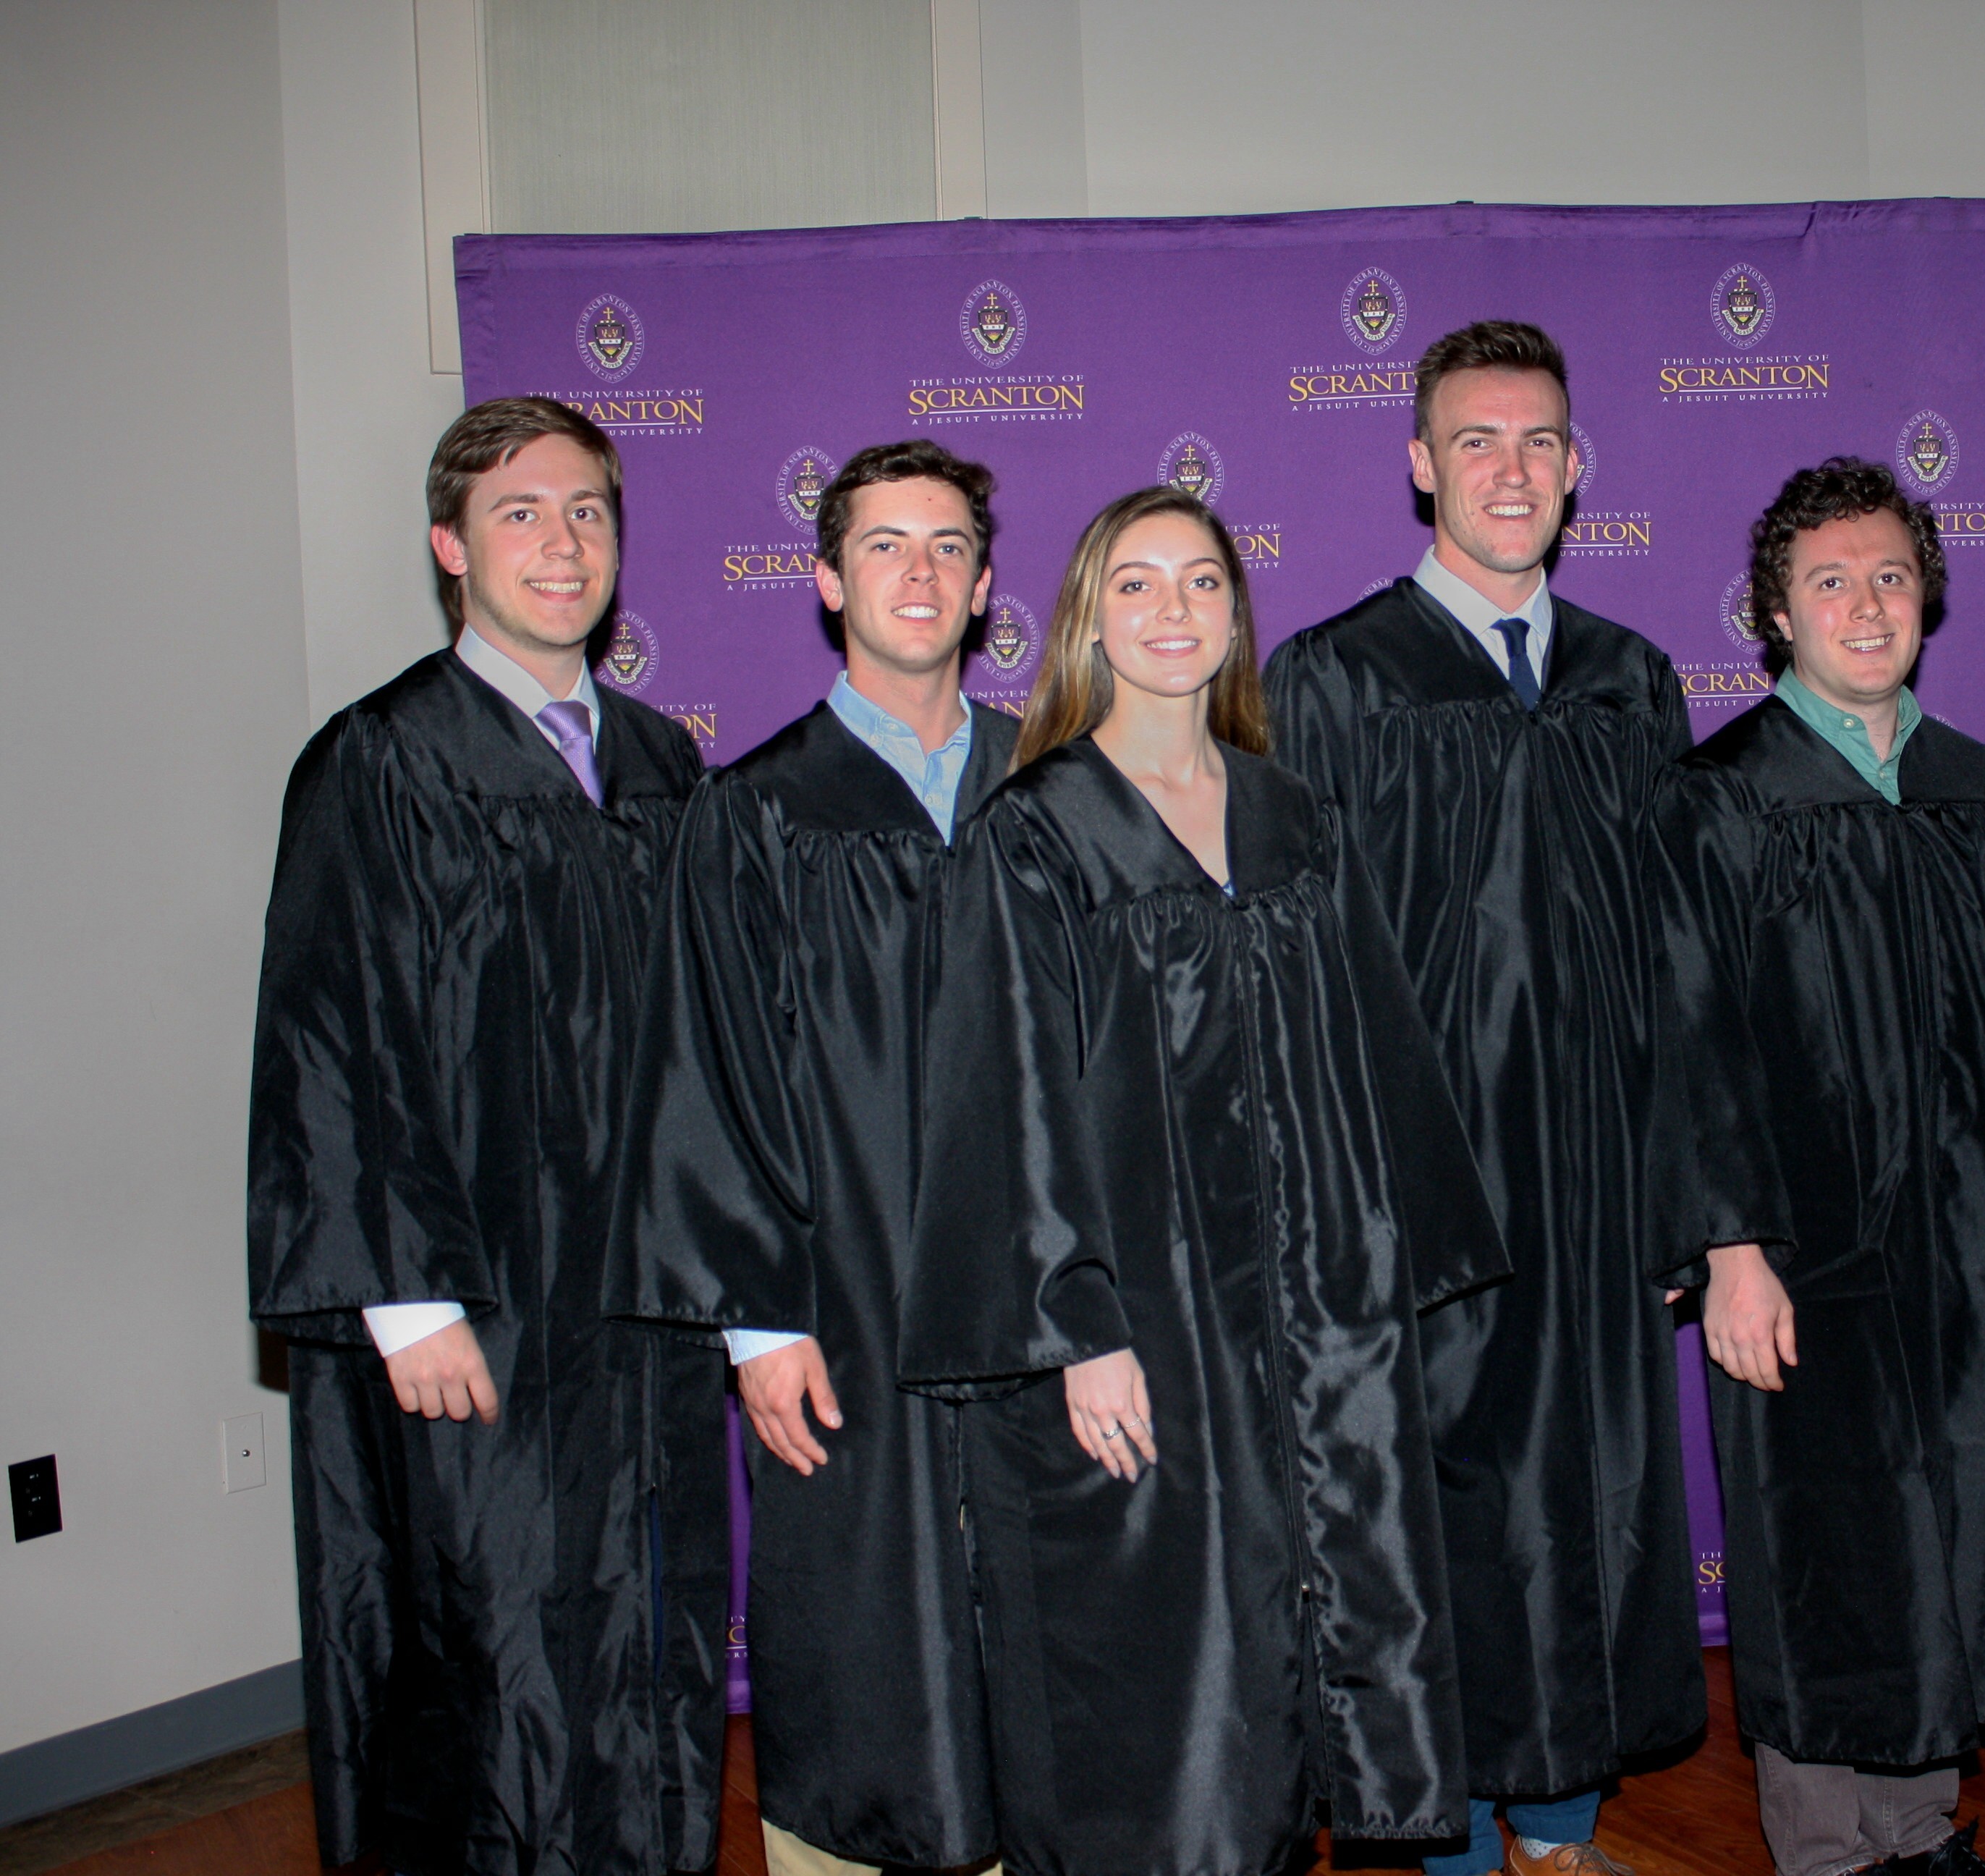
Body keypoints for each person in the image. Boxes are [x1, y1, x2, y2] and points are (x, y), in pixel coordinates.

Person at [896, 486, 1506, 1876]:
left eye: (1203, 583)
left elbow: (1377, 1059)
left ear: (1237, 617)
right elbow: (1008, 1092)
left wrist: (1386, 1287)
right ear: (1088, 623)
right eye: (1137, 585)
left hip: (1320, 1313)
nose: (1173, 610)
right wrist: (1077, 1326)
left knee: (1327, 1624)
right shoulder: (1039, 832)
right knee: (1171, 1670)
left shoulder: (1296, 817)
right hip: (1147, 1313)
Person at [247, 397, 722, 1876]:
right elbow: (332, 1031)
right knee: (495, 1647)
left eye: (587, 510)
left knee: (651, 1628)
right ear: (450, 546)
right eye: (520, 512)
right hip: (481, 1310)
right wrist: (407, 1296)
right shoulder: (381, 760)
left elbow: (710, 1048)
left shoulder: (660, 764)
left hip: (641, 1312)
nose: (562, 542)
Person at [1265, 319, 1703, 1876]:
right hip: (1422, 1184)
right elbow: (1295, 962)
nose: (1509, 471)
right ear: (1419, 463)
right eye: (1475, 441)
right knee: (1436, 1510)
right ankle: (1449, 1842)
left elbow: (1681, 961)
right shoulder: (1334, 678)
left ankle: (1560, 1831)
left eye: (1537, 442)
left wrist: (1683, 1192)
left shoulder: (1629, 681)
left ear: (1578, 468)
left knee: (1588, 1489)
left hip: (1596, 1181)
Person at [1651, 458, 1985, 1876]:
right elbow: (1690, 1040)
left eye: (1891, 575)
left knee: (1953, 1518)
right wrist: (1728, 1248)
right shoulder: (1723, 798)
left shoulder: (1981, 788)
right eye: (1830, 580)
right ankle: (1831, 1850)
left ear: (1927, 598)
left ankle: (1919, 1827)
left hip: (1969, 1238)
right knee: (1827, 1545)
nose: (1866, 603)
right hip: (1805, 1253)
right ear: (1776, 614)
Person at [606, 441, 1019, 1876]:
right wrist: (756, 1324)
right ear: (829, 581)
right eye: (886, 546)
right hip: (843, 1297)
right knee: (865, 1621)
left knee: (1047, 1619)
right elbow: (707, 1070)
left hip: (1042, 1301)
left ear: (985, 587)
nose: (921, 572)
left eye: (950, 546)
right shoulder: (755, 814)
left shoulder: (1054, 785)